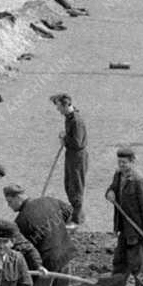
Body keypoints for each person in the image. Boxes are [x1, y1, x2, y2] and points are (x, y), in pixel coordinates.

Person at [3, 184, 76, 286]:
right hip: (66, 257)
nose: (8, 206)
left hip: (45, 267)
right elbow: (68, 211)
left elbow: (25, 249)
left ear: (17, 197)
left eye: (9, 201)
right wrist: (55, 228)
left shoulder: (21, 222)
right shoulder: (49, 201)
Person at [100, 147, 143, 286]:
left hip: (137, 229)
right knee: (120, 261)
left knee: (139, 265)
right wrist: (109, 193)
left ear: (132, 162)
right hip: (123, 227)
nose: (121, 165)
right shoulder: (118, 175)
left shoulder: (138, 181)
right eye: (119, 162)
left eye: (124, 162)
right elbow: (111, 190)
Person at [51, 93, 88, 225]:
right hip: (71, 154)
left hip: (77, 156)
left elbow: (77, 142)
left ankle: (77, 219)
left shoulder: (76, 121)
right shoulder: (69, 117)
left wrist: (64, 139)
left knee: (76, 186)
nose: (57, 109)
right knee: (68, 184)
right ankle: (77, 215)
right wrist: (66, 135)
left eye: (59, 106)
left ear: (66, 105)